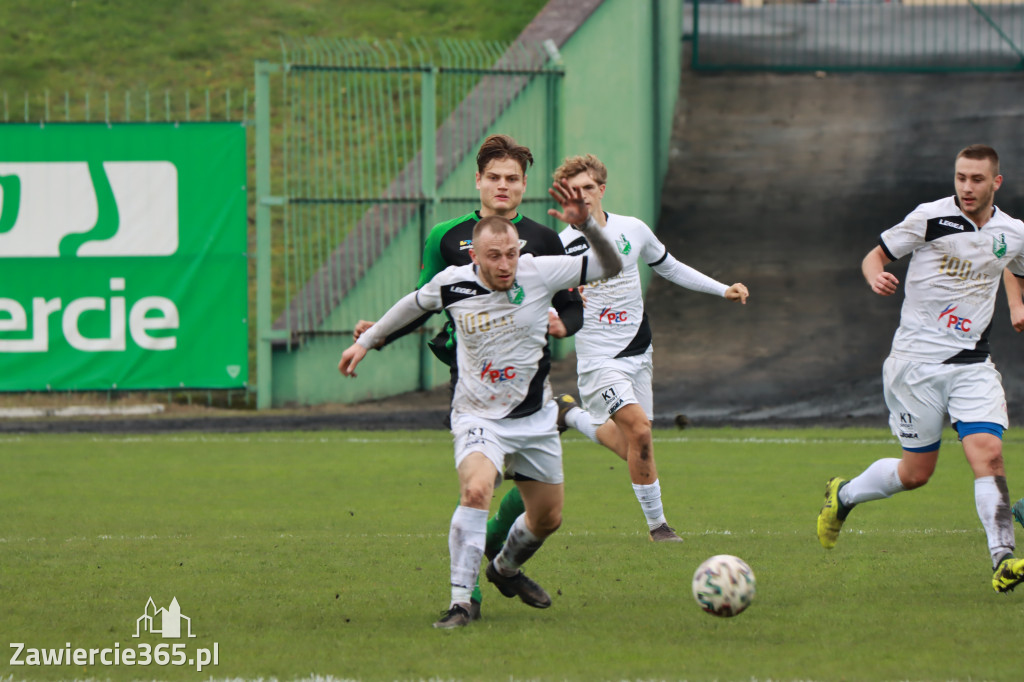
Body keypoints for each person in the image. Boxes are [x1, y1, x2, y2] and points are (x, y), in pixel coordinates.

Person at [339, 180, 622, 629]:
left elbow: (610, 264)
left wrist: (587, 224)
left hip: (534, 418)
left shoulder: (540, 271)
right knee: (475, 491)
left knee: (548, 518)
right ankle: (460, 603)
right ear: (474, 255)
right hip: (476, 415)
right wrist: (368, 342)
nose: (505, 264)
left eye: (511, 254)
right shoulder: (452, 284)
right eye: (494, 256)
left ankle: (504, 569)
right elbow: (410, 307)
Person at [817, 144, 1024, 593]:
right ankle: (845, 495)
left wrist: (1016, 303)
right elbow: (876, 255)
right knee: (916, 474)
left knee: (987, 452)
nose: (967, 188)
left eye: (976, 179)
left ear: (996, 183)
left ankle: (1002, 558)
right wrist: (875, 276)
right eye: (961, 177)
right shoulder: (930, 217)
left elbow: (1013, 263)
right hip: (915, 367)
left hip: (972, 363)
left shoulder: (1013, 231)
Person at [551, 153, 749, 541]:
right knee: (640, 433)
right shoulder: (563, 245)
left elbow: (669, 266)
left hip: (640, 353)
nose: (584, 196)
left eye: (589, 188)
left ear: (602, 189)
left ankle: (569, 415)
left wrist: (721, 288)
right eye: (575, 191)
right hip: (598, 361)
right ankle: (659, 527)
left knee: (633, 448)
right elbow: (543, 293)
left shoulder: (633, 230)